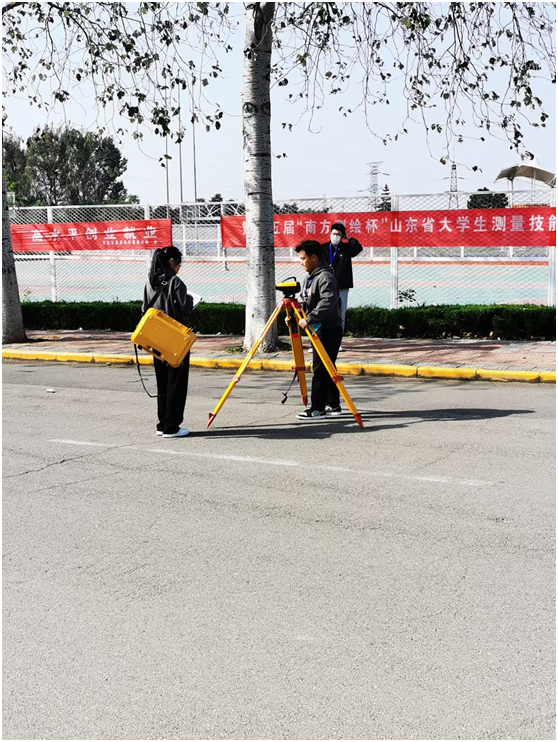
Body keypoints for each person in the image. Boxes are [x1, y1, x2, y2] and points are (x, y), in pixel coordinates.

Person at [142, 246, 193, 438]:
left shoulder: (149, 281)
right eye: (179, 264)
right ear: (172, 262)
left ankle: (162, 423)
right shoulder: (175, 282)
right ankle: (172, 427)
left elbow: (144, 309)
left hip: (156, 339)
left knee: (162, 382)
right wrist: (190, 300)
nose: (179, 268)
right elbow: (186, 307)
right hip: (175, 339)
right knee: (176, 383)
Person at [294, 240, 343, 420]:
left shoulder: (325, 277)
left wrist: (310, 318)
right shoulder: (310, 277)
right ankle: (333, 404)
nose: (301, 262)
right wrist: (295, 316)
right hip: (319, 328)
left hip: (328, 329)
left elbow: (328, 301)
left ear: (313, 257)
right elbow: (307, 302)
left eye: (303, 258)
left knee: (321, 369)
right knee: (327, 367)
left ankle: (317, 409)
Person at [321, 222, 363, 349]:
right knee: (322, 313)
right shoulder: (323, 248)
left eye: (338, 235)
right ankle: (320, 342)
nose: (335, 236)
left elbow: (358, 248)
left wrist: (348, 238)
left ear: (342, 236)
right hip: (325, 286)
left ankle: (337, 343)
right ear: (330, 234)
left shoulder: (346, 248)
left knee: (340, 314)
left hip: (342, 286)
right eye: (333, 234)